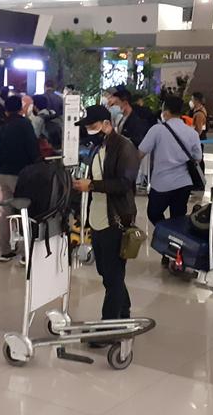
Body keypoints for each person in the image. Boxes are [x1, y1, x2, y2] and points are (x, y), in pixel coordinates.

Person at [73, 105, 139, 327]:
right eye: (88, 128)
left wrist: (91, 185)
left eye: (93, 126)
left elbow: (124, 183)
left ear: (107, 124)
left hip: (117, 219)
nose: (90, 131)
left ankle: (108, 326)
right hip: (97, 217)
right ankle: (124, 310)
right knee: (107, 272)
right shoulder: (96, 147)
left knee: (112, 276)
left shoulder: (124, 147)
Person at [138, 95, 202, 224]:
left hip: (161, 183)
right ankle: (173, 237)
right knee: (178, 218)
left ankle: (164, 232)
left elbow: (140, 153)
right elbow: (198, 158)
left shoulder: (157, 130)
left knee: (153, 213)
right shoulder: (192, 133)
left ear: (166, 112)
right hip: (184, 183)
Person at [0, 96, 40, 261]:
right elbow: (32, 148)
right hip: (21, 175)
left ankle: (5, 251)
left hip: (4, 174)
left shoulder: (4, 126)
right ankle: (25, 253)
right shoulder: (25, 124)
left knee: (7, 212)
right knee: (25, 212)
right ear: (21, 108)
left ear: (6, 110)